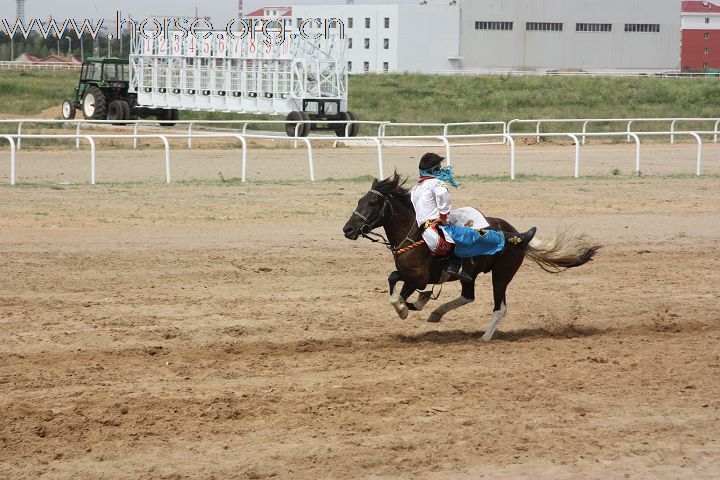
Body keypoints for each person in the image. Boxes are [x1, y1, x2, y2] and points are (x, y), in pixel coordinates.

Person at [409, 152, 536, 281]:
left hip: (425, 232)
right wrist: (442, 217)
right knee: (477, 234)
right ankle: (518, 238)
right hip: (437, 232)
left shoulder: (415, 189)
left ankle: (455, 265)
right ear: (435, 169)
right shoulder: (436, 183)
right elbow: (443, 197)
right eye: (439, 168)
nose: (441, 170)